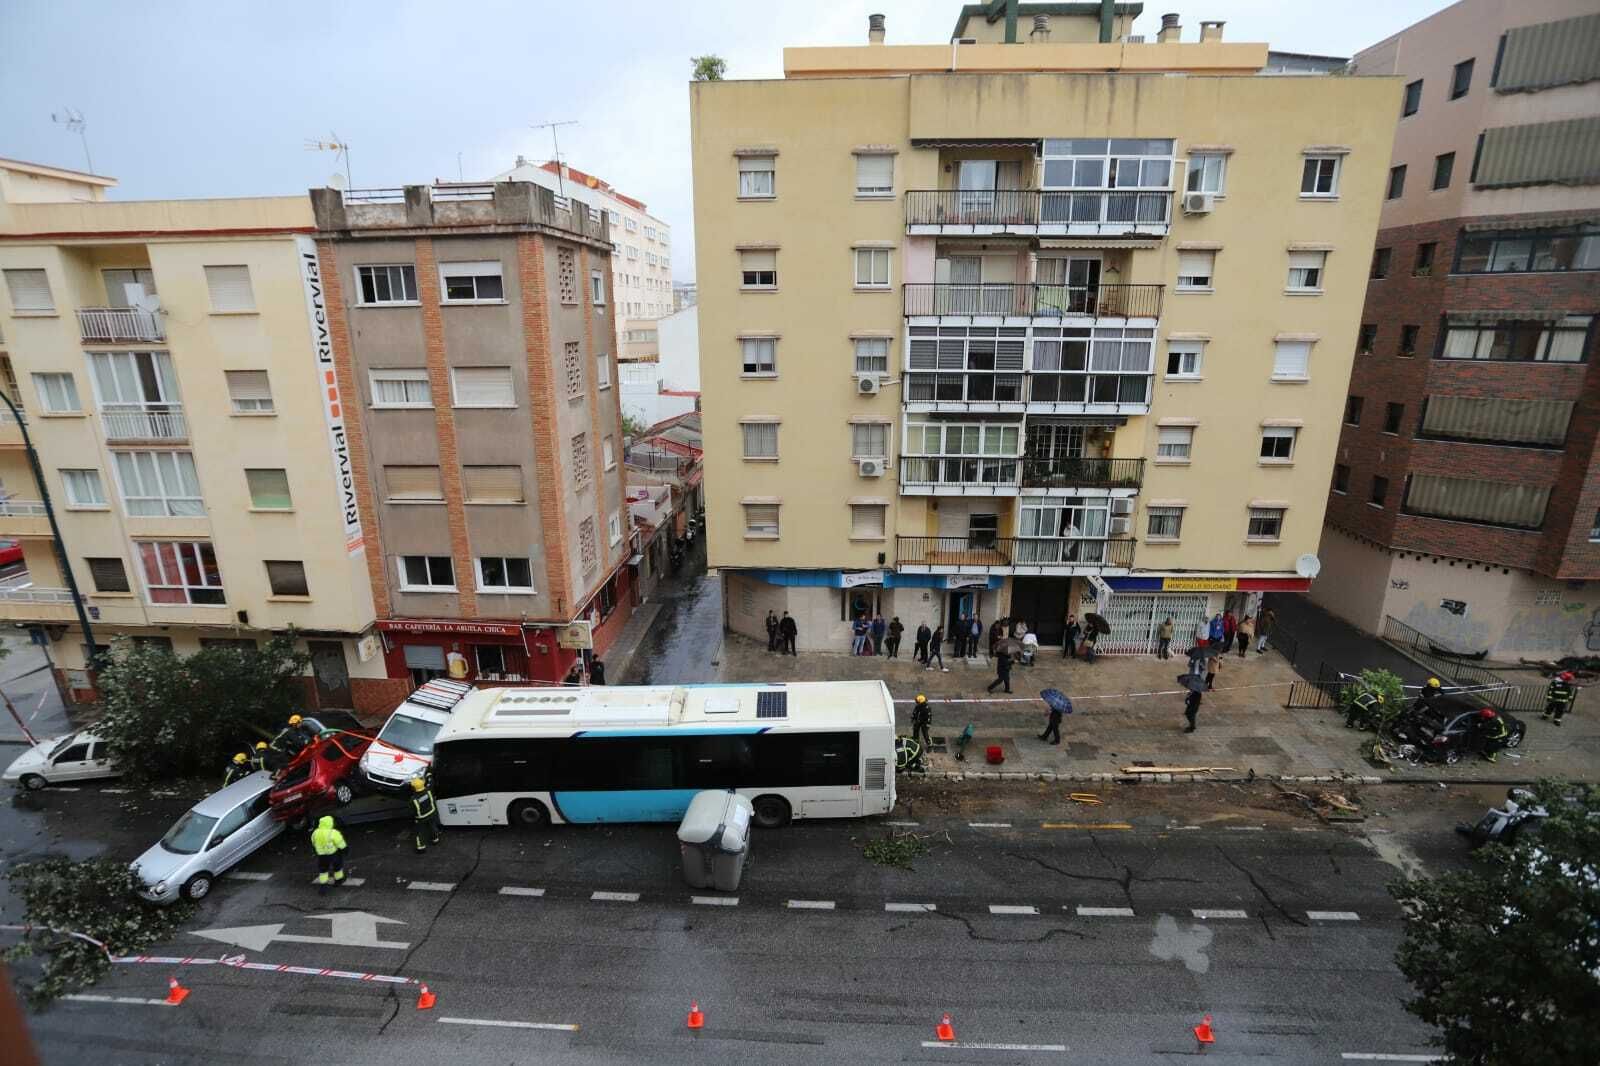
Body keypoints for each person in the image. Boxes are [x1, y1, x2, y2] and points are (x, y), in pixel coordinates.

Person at [311, 814, 348, 895]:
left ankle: (323, 887)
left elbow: (313, 843)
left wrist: (315, 850)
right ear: (330, 823)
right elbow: (340, 843)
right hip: (333, 854)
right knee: (337, 867)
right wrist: (345, 850)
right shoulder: (333, 832)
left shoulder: (315, 833)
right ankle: (338, 881)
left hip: (322, 856)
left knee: (323, 871)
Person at [410, 776, 442, 853]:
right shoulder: (428, 791)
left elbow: (412, 811)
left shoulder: (413, 799)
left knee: (419, 832)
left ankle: (421, 848)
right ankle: (435, 839)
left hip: (421, 818)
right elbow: (431, 783)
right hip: (431, 813)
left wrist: (416, 819)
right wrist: (429, 776)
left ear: (414, 788)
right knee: (432, 826)